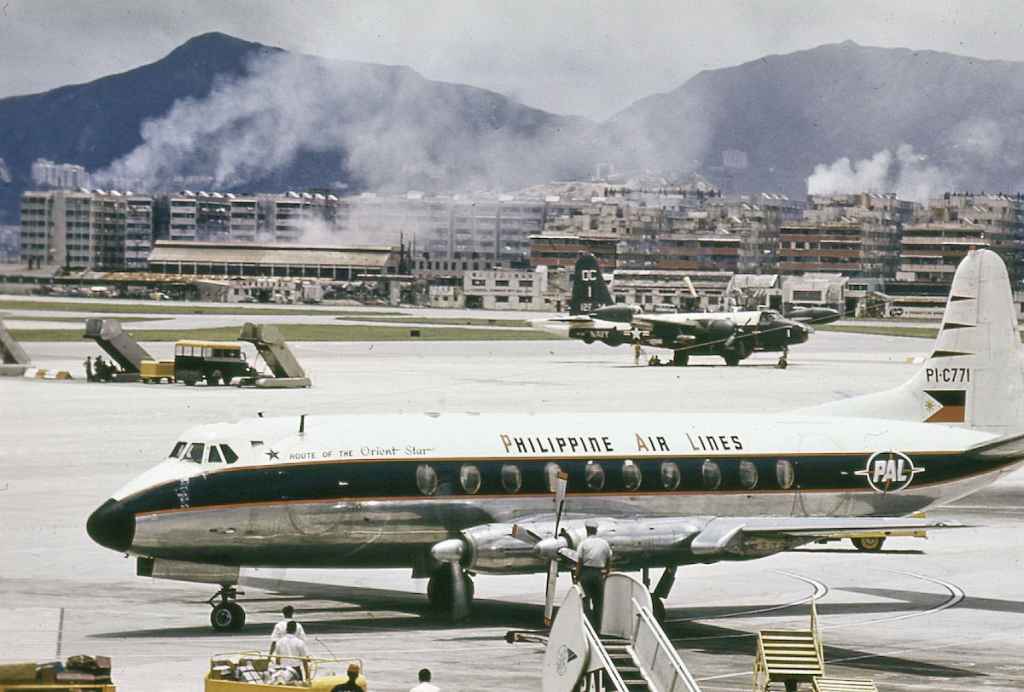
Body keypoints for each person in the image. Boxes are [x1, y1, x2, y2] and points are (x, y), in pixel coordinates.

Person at [575, 519, 612, 624]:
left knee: (585, 600)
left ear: (587, 530)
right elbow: (609, 558)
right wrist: (607, 571)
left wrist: (576, 577)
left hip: (586, 574)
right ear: (596, 530)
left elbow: (579, 562)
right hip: (598, 574)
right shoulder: (604, 543)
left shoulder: (583, 543)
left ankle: (587, 624)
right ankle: (597, 627)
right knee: (598, 602)